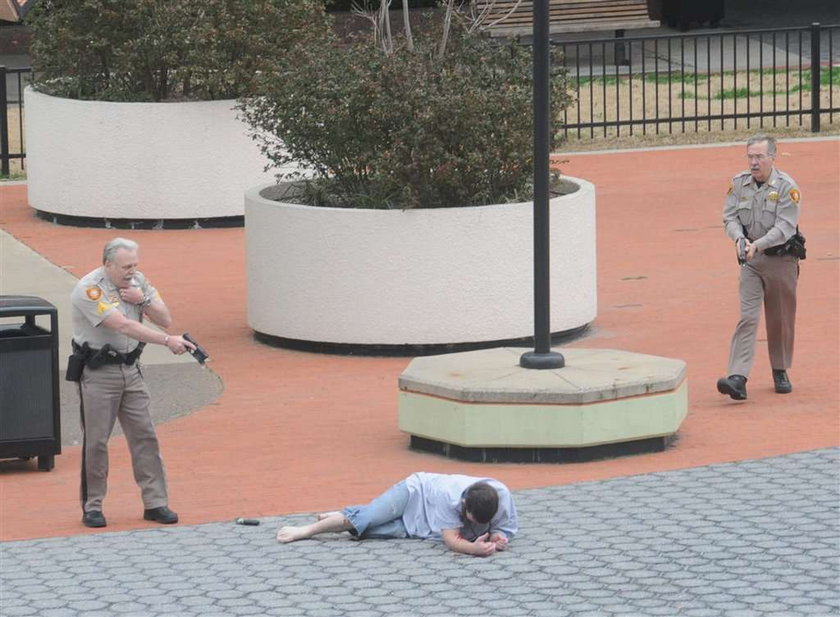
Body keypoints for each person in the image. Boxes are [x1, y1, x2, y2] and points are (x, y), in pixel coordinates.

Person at [69, 237, 195, 528]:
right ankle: (93, 505)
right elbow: (123, 324)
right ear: (108, 264)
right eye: (126, 266)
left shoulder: (138, 282)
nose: (132, 271)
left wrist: (144, 299)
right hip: (99, 373)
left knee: (145, 437)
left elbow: (165, 318)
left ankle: (155, 502)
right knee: (97, 441)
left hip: (131, 369)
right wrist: (167, 342)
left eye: (135, 264)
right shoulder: (89, 289)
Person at [717, 134, 802, 401]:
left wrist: (758, 244)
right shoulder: (738, 184)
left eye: (759, 157)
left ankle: (780, 369)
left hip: (781, 260)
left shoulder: (787, 188)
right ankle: (737, 378)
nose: (754, 162)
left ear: (772, 158)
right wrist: (739, 239)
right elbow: (729, 217)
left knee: (780, 320)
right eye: (750, 156)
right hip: (752, 262)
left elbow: (785, 228)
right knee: (748, 318)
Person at [276, 472, 517, 557]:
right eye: (469, 519)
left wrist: (497, 537)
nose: (471, 525)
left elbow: (502, 528)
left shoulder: (503, 496)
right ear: (464, 505)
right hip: (413, 494)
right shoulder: (449, 496)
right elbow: (452, 541)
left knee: (364, 531)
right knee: (364, 519)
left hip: (419, 528)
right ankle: (306, 530)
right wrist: (474, 549)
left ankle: (340, 517)